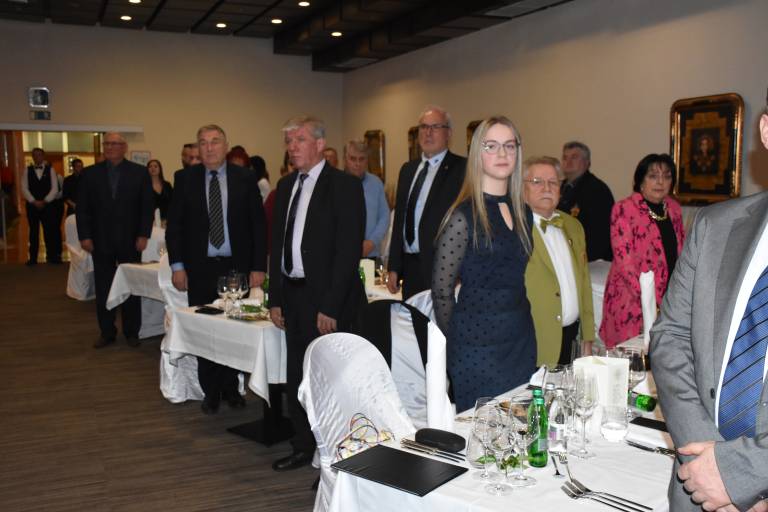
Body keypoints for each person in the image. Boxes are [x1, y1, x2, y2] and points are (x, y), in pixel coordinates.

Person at [649, 98, 768, 512]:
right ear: (766, 131)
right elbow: (670, 337)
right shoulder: (715, 225)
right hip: (697, 483)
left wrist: (742, 476)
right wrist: (711, 466)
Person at [269, 116, 365, 471]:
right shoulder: (285, 185)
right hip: (293, 295)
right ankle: (302, 445)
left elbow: (348, 251)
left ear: (320, 144)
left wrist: (331, 305)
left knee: (329, 379)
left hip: (326, 299)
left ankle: (332, 455)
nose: (292, 147)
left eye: (300, 139)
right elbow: (277, 245)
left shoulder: (344, 186)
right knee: (298, 376)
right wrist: (275, 298)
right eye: (289, 141)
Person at [431, 115, 535, 411]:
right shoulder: (463, 217)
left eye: (509, 146)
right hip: (476, 348)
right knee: (482, 432)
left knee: (519, 427)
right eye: (491, 146)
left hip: (520, 339)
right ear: (478, 153)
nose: (502, 154)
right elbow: (441, 291)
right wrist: (458, 339)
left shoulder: (524, 212)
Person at [166, 124, 267, 415]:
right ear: (198, 148)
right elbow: (175, 227)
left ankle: (231, 387)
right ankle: (210, 390)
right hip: (199, 268)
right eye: (203, 142)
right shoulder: (184, 179)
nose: (209, 148)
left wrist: (258, 266)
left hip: (236, 268)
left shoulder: (245, 178)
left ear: (225, 145)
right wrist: (177, 266)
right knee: (205, 329)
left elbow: (258, 225)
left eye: (215, 141)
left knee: (234, 328)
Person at [76, 132, 154, 348]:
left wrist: (143, 234)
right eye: (107, 143)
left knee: (131, 286)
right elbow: (82, 209)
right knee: (104, 286)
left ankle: (132, 331)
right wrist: (84, 236)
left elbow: (147, 207)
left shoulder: (139, 173)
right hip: (100, 239)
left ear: (124, 147)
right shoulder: (90, 174)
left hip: (131, 239)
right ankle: (107, 331)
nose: (110, 147)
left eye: (115, 144)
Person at [599, 153, 685, 348]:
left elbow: (681, 255)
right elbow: (625, 262)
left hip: (668, 301)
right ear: (640, 181)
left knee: (662, 357)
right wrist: (650, 300)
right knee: (632, 358)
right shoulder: (624, 209)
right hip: (631, 300)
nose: (660, 182)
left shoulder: (674, 209)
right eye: (653, 176)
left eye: (667, 176)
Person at [388, 106, 467, 300]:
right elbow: (399, 220)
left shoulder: (462, 169)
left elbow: (468, 222)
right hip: (410, 267)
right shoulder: (408, 169)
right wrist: (394, 266)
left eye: (435, 127)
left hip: (444, 267)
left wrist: (461, 270)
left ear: (448, 133)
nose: (428, 133)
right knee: (412, 318)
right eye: (423, 127)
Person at [523, 156, 595, 366]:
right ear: (521, 188)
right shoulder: (514, 229)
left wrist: (587, 337)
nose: (546, 188)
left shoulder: (573, 226)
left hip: (571, 338)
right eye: (537, 182)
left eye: (553, 182)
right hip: (533, 340)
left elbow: (584, 284)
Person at [557, 141, 614, 261]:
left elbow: (600, 234)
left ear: (587, 163)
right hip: (564, 255)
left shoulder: (597, 190)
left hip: (590, 260)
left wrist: (581, 260)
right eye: (565, 157)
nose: (568, 161)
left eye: (574, 157)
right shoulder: (559, 188)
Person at [343, 139, 390, 259]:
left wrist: (372, 242)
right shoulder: (335, 184)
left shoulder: (376, 183)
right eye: (353, 159)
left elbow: (384, 216)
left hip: (371, 252)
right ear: (345, 159)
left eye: (361, 159)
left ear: (367, 160)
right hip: (343, 255)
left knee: (369, 275)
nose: (357, 164)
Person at [21, 147, 62, 265]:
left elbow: (55, 188)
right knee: (33, 232)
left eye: (39, 155)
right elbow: (24, 188)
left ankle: (52, 256)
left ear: (43, 156)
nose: (37, 157)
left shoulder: (51, 170)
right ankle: (33, 258)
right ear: (32, 157)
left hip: (47, 205)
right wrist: (33, 201)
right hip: (32, 206)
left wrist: (45, 201)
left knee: (49, 231)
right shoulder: (27, 170)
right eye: (35, 155)